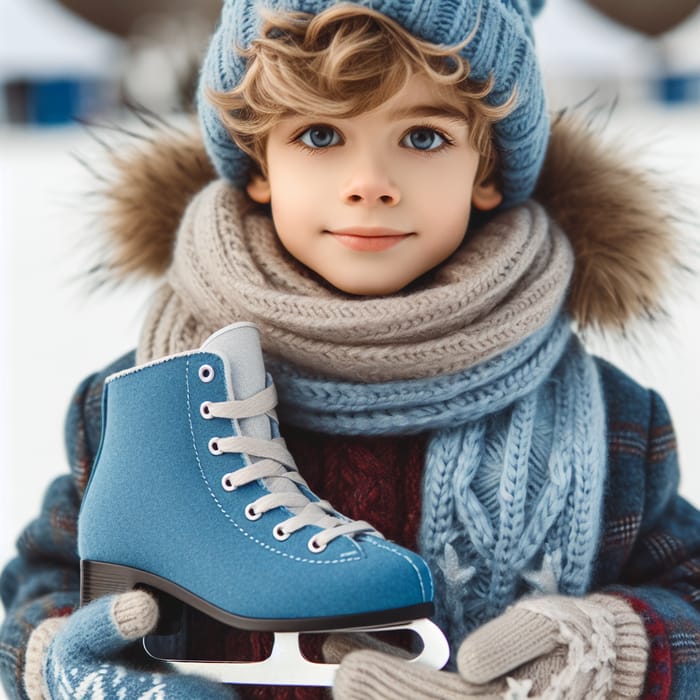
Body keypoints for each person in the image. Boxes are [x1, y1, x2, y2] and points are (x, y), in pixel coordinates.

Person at [2, 0, 699, 698]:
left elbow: (688, 591)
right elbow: (44, 585)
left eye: (423, 138)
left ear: (487, 169)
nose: (370, 184)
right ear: (258, 162)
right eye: (318, 135)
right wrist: (62, 660)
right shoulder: (147, 405)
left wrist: (613, 652)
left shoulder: (612, 422)